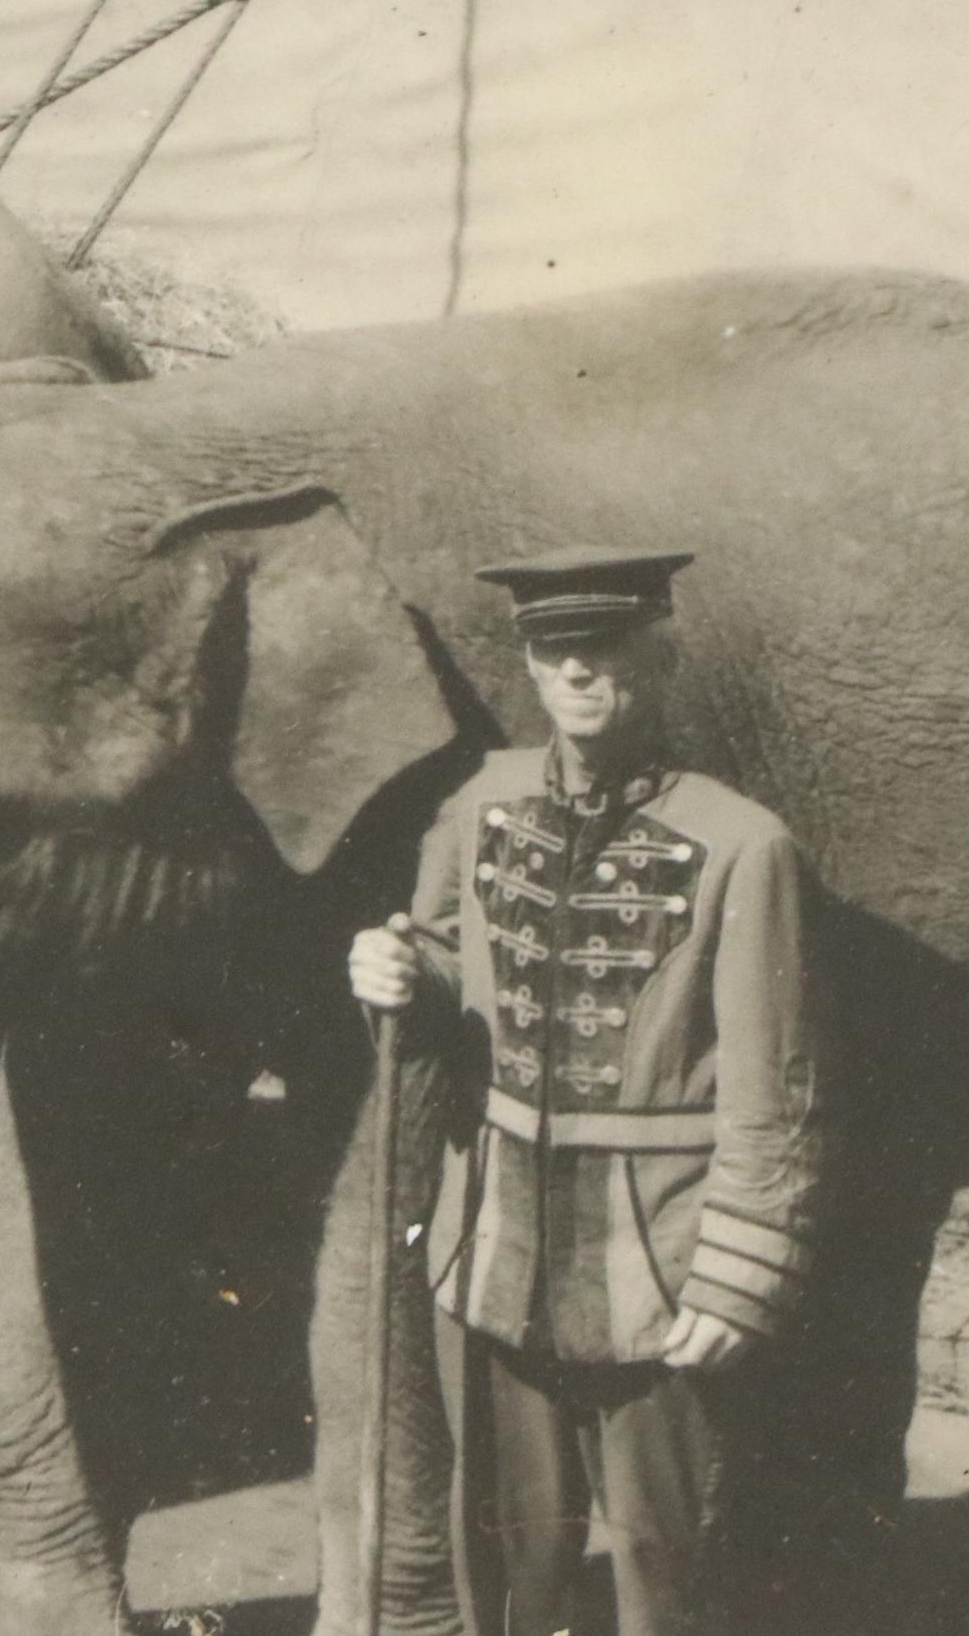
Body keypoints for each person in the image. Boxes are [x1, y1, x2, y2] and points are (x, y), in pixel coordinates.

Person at [349, 547, 822, 1636]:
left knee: (669, 1562)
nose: (575, 669)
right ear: (527, 663)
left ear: (659, 655)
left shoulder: (744, 845)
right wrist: (396, 972)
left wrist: (737, 1274)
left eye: (602, 645)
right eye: (552, 647)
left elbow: (776, 1087)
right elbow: (441, 963)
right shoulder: (481, 802)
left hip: (657, 1261)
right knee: (510, 1559)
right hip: (496, 1245)